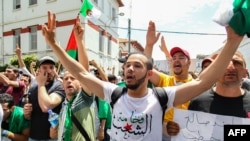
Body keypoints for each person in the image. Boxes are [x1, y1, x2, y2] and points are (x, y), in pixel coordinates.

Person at [42, 11, 243, 140]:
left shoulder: (162, 97)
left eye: (136, 66)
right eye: (127, 65)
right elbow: (82, 73)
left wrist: (232, 41)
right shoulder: (114, 94)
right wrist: (54, 44)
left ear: (149, 74)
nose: (129, 69)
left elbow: (202, 81)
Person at [143, 21, 194, 140]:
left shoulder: (196, 85)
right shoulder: (165, 80)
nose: (176, 60)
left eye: (181, 58)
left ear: (189, 62)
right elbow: (147, 69)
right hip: (162, 133)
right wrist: (149, 45)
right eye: (174, 58)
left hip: (186, 134)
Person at [23, 56, 65, 141]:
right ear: (39, 70)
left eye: (51, 67)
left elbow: (47, 107)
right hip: (34, 136)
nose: (48, 71)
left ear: (55, 70)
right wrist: (27, 113)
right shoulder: (33, 87)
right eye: (44, 67)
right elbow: (30, 113)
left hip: (52, 137)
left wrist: (41, 84)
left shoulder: (60, 86)